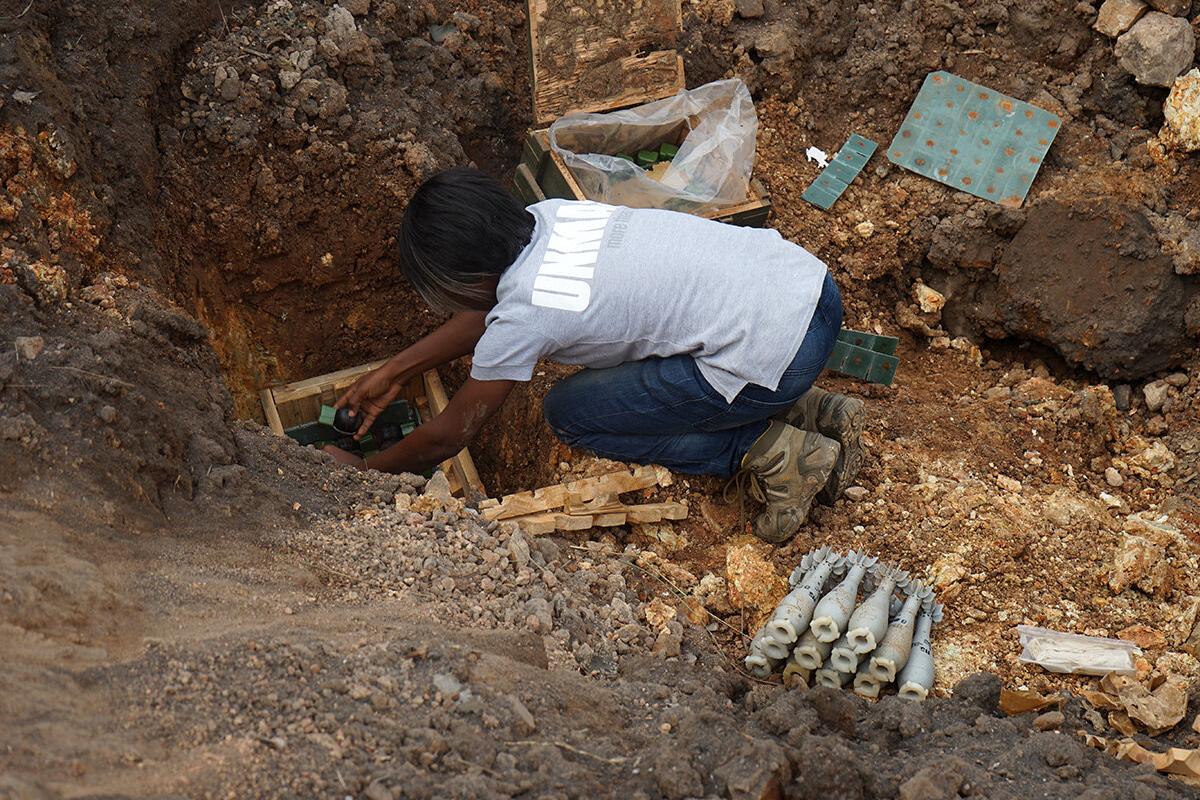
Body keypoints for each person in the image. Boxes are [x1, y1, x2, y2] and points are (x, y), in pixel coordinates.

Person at [326, 167, 865, 543]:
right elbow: (491, 308)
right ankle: (812, 407)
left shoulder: (524, 317)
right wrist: (395, 371)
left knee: (572, 414)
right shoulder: (548, 216)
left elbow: (449, 436)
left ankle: (775, 452)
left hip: (780, 355)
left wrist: (366, 472)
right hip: (806, 290)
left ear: (467, 279)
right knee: (664, 340)